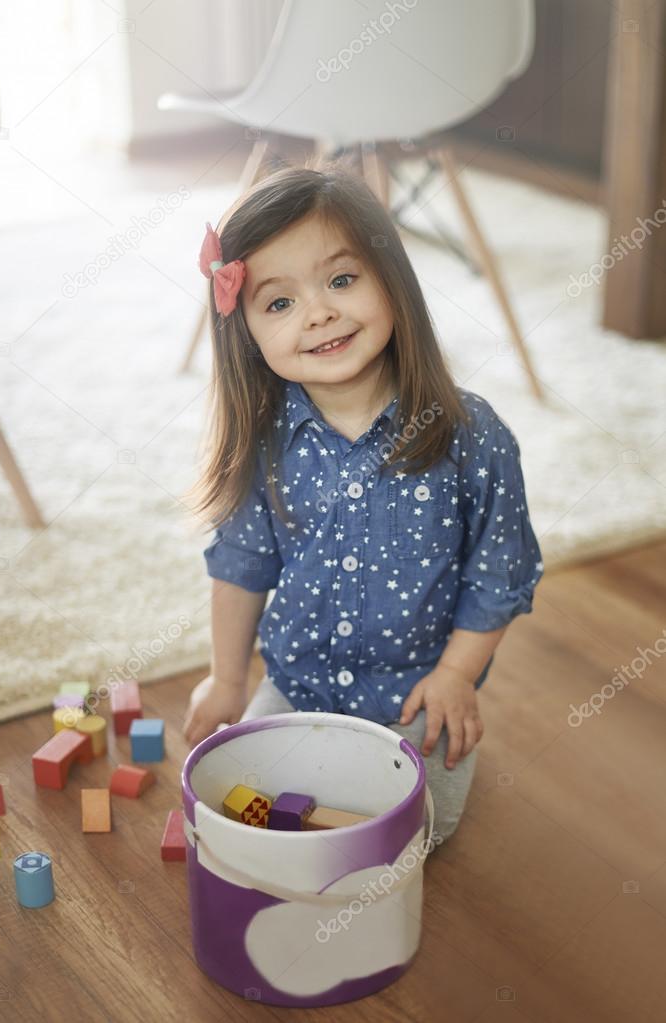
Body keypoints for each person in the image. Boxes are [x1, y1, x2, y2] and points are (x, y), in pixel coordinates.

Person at [182, 158, 544, 848]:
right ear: (248, 332)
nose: (318, 312)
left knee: (416, 833)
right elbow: (240, 566)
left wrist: (455, 676)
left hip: (419, 695)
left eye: (341, 280)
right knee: (232, 805)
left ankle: (337, 838)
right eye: (279, 302)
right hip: (297, 686)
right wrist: (227, 680)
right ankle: (316, 839)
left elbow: (499, 577)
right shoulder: (263, 447)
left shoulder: (473, 435)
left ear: (392, 282)